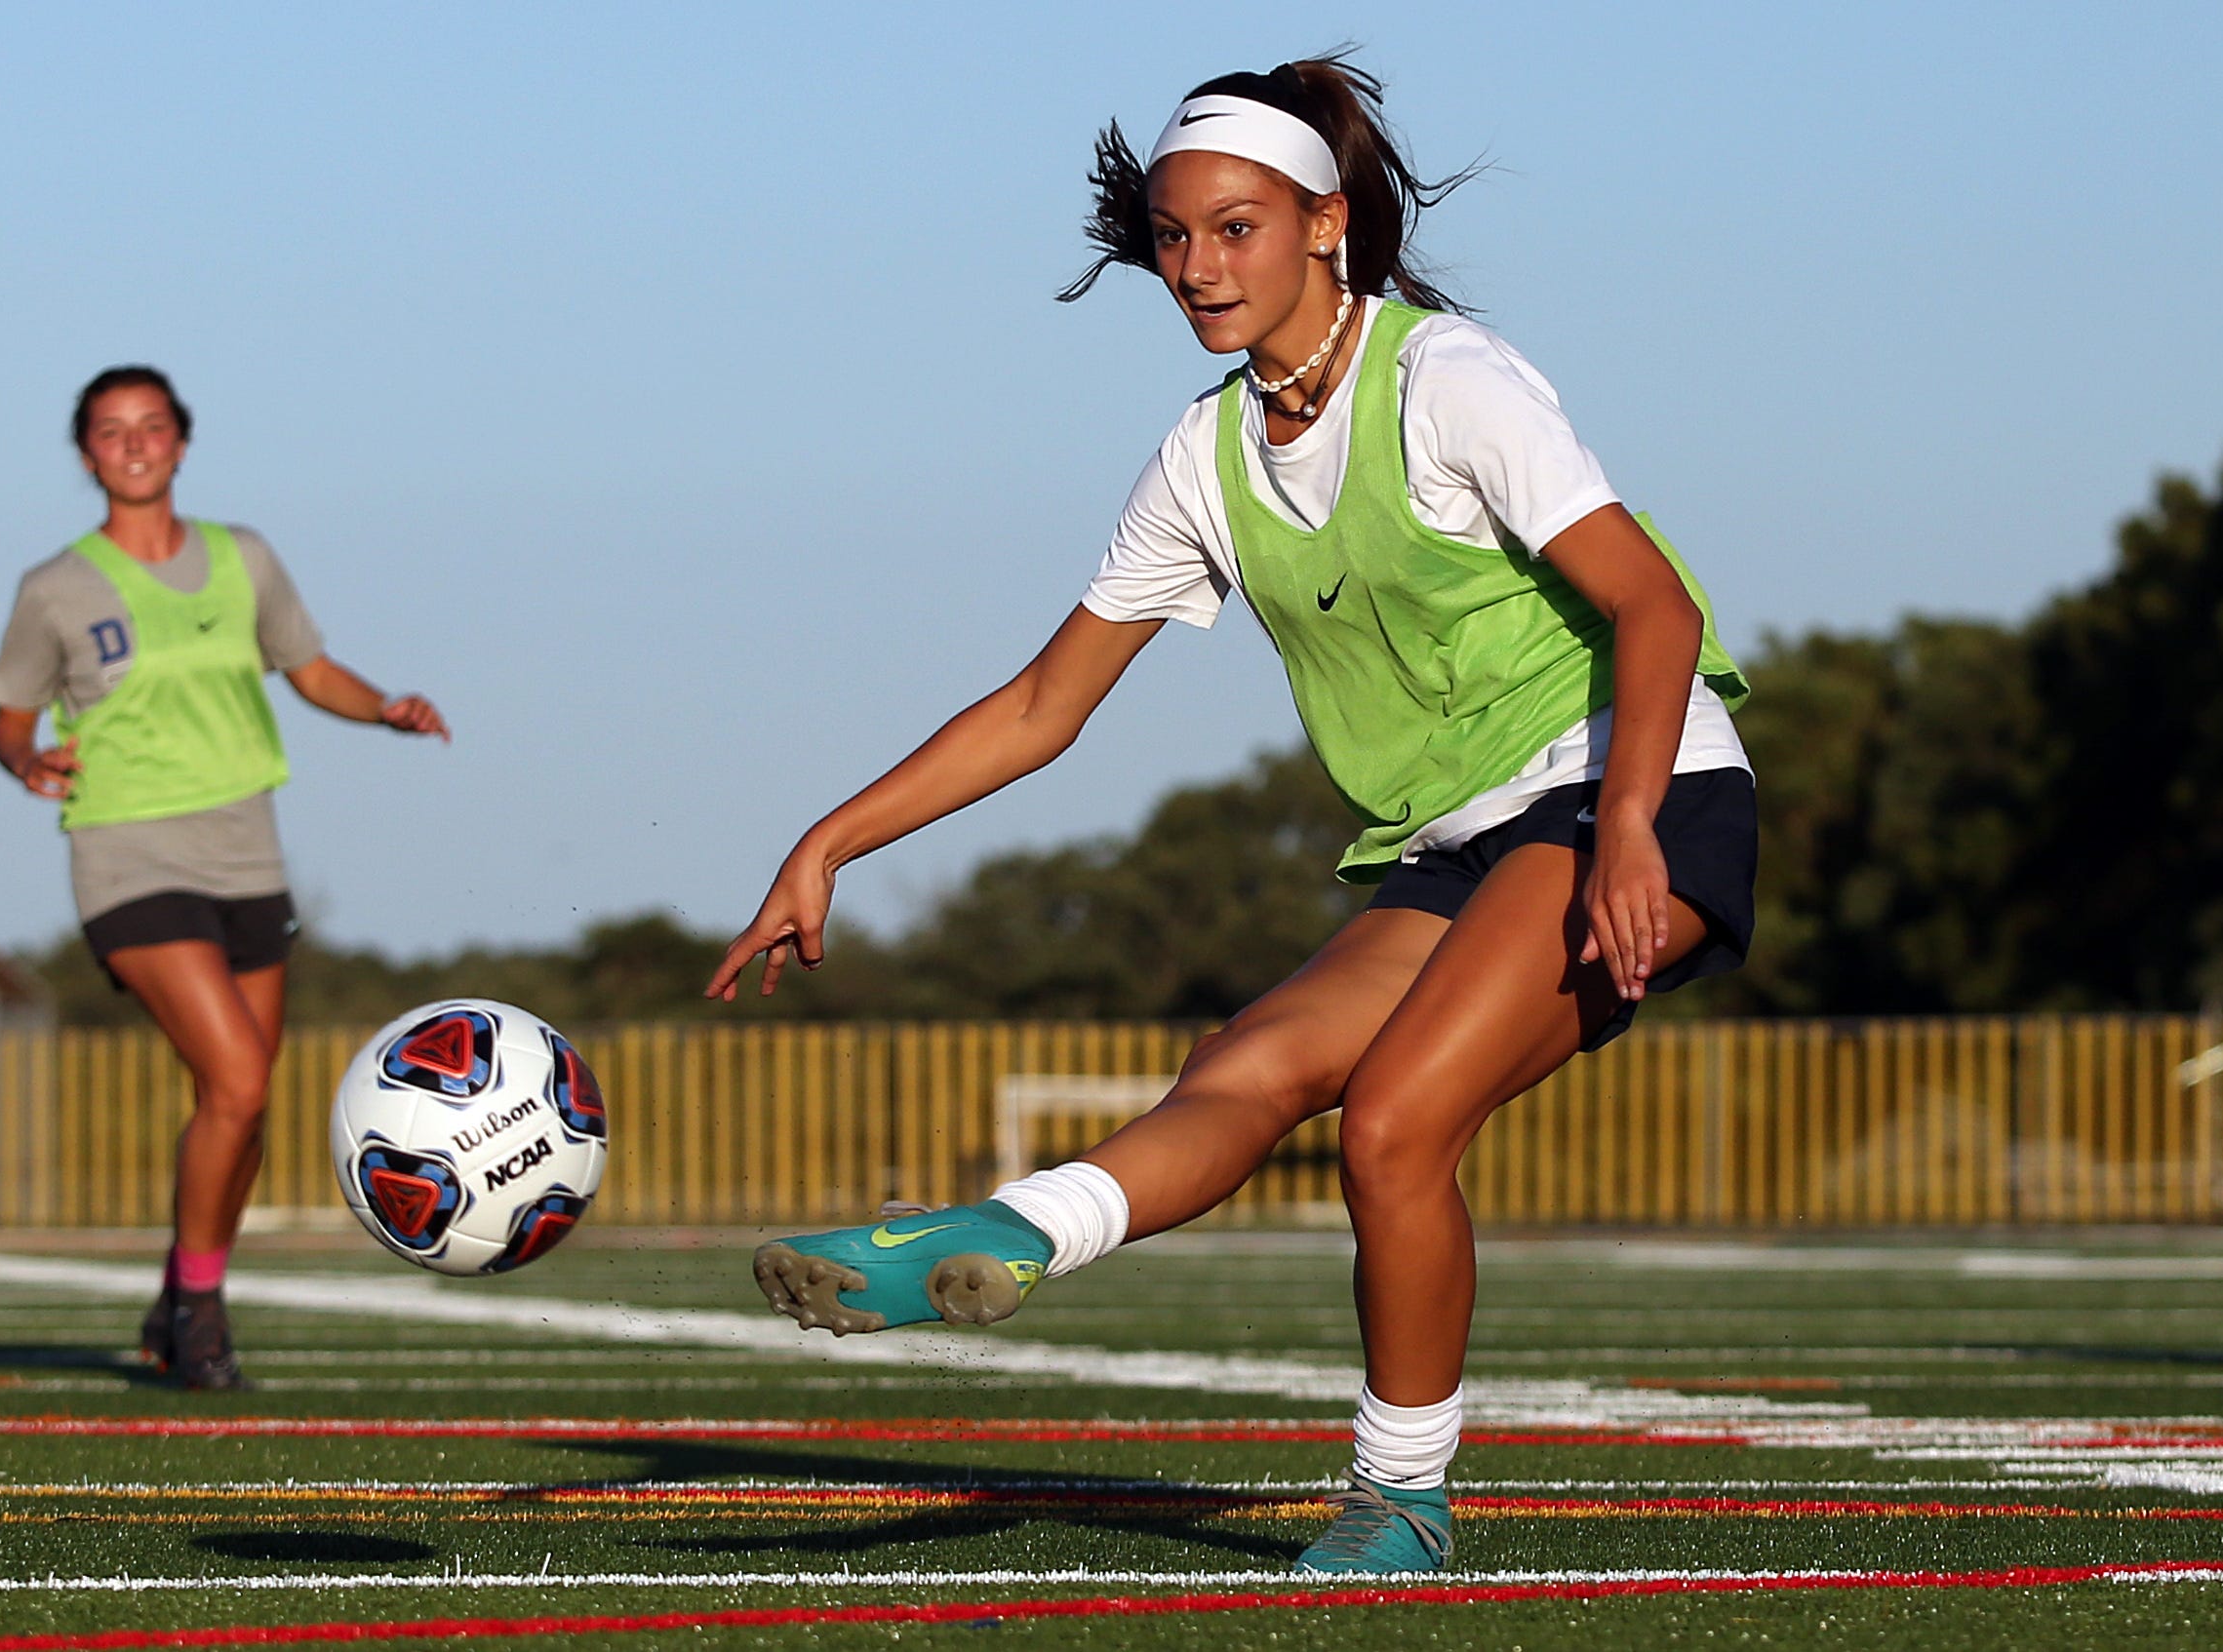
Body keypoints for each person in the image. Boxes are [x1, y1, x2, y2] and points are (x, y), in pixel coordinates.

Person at [705, 56, 1754, 1574]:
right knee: (1247, 1063)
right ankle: (1005, 1234)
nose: (1196, 266)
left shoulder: (1449, 377)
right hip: (1460, 839)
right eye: (1173, 236)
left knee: (1394, 1123)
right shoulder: (1202, 457)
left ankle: (1400, 1499)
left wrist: (1640, 827)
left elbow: (1651, 606)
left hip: (1629, 790)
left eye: (1235, 229)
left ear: (1327, 223)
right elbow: (1038, 708)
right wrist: (829, 840)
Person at [0, 365, 448, 1389]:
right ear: (87, 454)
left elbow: (310, 666)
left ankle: (175, 1289)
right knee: (238, 1080)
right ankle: (200, 1313)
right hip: (126, 848)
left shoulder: (244, 557)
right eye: (113, 430)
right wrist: (25, 759)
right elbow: (11, 715)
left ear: (183, 442)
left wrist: (386, 706)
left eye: (153, 426)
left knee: (240, 1098)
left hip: (246, 844)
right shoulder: (53, 587)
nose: (136, 443)